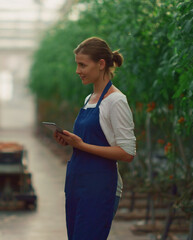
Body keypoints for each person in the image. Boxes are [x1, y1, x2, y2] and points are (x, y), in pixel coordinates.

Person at [53, 37, 136, 239]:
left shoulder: (116, 101)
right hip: (77, 184)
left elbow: (127, 153)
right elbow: (86, 143)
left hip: (100, 188)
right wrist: (71, 142)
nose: (77, 70)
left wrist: (81, 145)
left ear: (100, 64)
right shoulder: (89, 100)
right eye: (77, 65)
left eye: (83, 65)